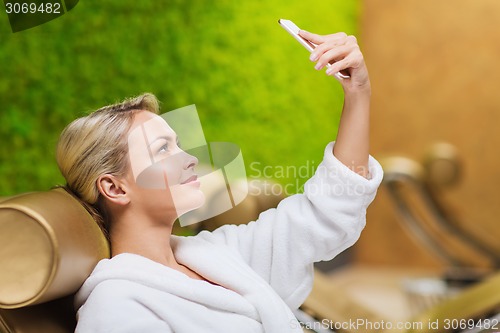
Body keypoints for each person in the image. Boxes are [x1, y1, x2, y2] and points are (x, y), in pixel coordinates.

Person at [56, 29, 383, 333]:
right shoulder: (117, 307)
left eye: (179, 144)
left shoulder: (218, 254)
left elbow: (325, 213)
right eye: (163, 149)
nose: (190, 159)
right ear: (115, 187)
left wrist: (358, 92)